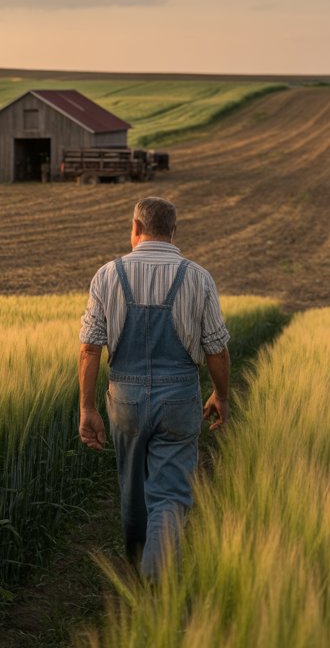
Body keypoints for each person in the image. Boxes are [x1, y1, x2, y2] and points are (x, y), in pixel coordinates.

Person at [77, 196, 231, 581]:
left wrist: (87, 408)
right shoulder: (197, 277)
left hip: (124, 399)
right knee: (169, 496)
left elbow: (89, 347)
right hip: (179, 397)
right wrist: (220, 394)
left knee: (132, 489)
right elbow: (216, 347)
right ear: (174, 232)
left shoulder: (107, 275)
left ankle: (136, 566)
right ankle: (156, 581)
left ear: (135, 228)